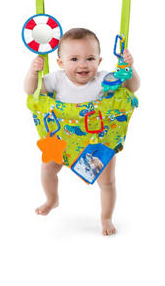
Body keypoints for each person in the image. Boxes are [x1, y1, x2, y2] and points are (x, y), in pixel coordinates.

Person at [24, 27, 140, 236]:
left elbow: (132, 87)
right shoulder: (56, 79)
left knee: (107, 182)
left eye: (90, 58)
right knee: (47, 169)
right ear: (61, 63)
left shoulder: (105, 80)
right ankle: (52, 199)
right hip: (64, 140)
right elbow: (31, 91)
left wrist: (129, 68)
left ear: (99, 61)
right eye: (74, 59)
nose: (83, 64)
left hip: (98, 141)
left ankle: (106, 217)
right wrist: (33, 73)